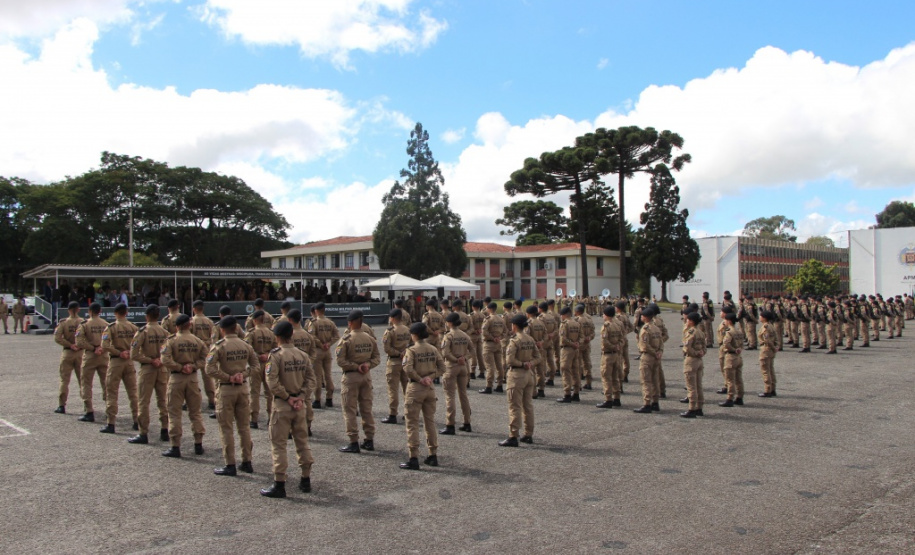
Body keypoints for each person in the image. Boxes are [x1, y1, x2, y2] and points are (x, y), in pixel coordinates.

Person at [260, 321, 317, 498]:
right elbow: (312, 380)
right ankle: (306, 479)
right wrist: (301, 396)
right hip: (299, 405)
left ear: (277, 337)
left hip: (283, 405)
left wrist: (287, 397)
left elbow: (272, 382)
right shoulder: (302, 355)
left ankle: (279, 483)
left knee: (279, 445)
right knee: (302, 442)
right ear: (291, 335)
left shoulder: (276, 356)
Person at [206, 316, 259, 476]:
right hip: (242, 388)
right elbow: (256, 366)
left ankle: (230, 464)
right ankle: (247, 461)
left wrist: (228, 377)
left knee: (226, 428)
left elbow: (209, 369)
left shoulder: (219, 346)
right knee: (244, 427)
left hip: (226, 389)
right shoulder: (245, 345)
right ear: (236, 328)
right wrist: (243, 374)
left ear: (222, 330)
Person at [399, 322, 446, 469]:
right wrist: (430, 377)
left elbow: (408, 369)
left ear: (414, 335)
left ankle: (413, 457)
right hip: (429, 388)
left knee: (412, 423)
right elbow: (442, 367)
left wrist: (420, 379)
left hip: (416, 388)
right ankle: (433, 455)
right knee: (429, 422)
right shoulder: (432, 348)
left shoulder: (411, 350)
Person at [160, 314, 207, 458]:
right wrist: (193, 366)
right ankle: (198, 444)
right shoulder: (198, 341)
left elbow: (165, 359)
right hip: (192, 379)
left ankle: (175, 446)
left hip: (176, 378)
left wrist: (180, 367)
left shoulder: (171, 341)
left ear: (177, 327)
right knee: (195, 412)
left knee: (174, 413)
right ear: (189, 325)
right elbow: (205, 359)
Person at [336, 310, 380, 454]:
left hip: (351, 377)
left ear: (350, 323)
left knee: (349, 409)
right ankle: (369, 439)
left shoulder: (346, 339)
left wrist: (356, 366)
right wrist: (367, 365)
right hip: (366, 376)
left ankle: (353, 441)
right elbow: (377, 358)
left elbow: (340, 361)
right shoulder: (370, 338)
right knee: (366, 408)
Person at [128, 305, 171, 445]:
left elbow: (133, 354)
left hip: (148, 369)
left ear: (146, 316)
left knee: (143, 402)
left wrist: (150, 360)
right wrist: (160, 360)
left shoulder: (143, 332)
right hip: (162, 369)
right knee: (163, 400)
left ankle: (143, 432)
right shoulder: (165, 332)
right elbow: (170, 352)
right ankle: (165, 430)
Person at [499, 314, 540, 447]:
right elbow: (538, 357)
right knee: (528, 406)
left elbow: (509, 360)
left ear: (515, 326)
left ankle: (513, 436)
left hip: (517, 375)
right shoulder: (530, 339)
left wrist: (522, 364)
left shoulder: (514, 341)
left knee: (514, 406)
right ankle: (528, 434)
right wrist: (530, 363)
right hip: (529, 375)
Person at [99, 303, 139, 434]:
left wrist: (118, 352)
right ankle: (137, 421)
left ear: (115, 313)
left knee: (112, 392)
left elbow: (105, 345)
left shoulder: (111, 327)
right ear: (126, 313)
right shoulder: (133, 327)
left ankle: (111, 423)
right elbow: (139, 345)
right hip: (129, 362)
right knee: (133, 393)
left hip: (116, 362)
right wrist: (129, 352)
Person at [75, 302, 110, 422]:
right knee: (106, 383)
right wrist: (101, 348)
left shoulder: (85, 324)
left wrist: (93, 348)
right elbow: (111, 340)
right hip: (103, 356)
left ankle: (89, 411)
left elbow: (79, 342)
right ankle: (109, 409)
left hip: (90, 355)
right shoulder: (106, 324)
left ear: (89, 311)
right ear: (100, 311)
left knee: (86, 383)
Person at [439, 311, 472, 435]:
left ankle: (450, 424)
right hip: (463, 366)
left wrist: (456, 359)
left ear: (449, 323)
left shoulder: (449, 336)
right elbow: (472, 350)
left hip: (452, 366)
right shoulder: (464, 335)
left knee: (450, 396)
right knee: (463, 395)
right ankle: (467, 422)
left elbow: (445, 353)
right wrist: (464, 358)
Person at [245, 310, 277, 429]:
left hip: (256, 364)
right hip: (268, 364)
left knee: (254, 392)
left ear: (254, 320)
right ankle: (271, 416)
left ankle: (254, 419)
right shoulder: (271, 333)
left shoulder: (251, 333)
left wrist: (259, 356)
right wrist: (267, 355)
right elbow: (276, 349)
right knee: (269, 392)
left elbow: (247, 349)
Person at [381, 309, 411, 424]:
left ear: (392, 318)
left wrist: (398, 353)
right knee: (407, 388)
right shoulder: (407, 330)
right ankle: (408, 412)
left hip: (394, 362)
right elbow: (412, 344)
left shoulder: (390, 331)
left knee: (393, 389)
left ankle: (392, 414)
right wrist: (405, 352)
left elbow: (387, 349)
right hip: (406, 361)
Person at [53, 301, 84, 414]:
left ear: (68, 310)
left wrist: (70, 345)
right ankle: (87, 405)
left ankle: (62, 405)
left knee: (64, 380)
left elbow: (57, 338)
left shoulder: (64, 323)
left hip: (68, 352)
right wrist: (79, 345)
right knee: (83, 380)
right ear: (78, 309)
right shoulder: (83, 322)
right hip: (80, 353)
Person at [633, 306, 663, 414]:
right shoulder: (656, 328)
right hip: (656, 357)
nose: (641, 317)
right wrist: (659, 352)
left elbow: (645, 346)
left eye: (642, 316)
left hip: (648, 357)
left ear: (645, 317)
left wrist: (654, 353)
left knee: (646, 381)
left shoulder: (645, 329)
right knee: (655, 380)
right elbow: (661, 343)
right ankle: (655, 402)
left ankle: (647, 403)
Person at [311, 302, 340, 409]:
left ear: (316, 311)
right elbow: (337, 336)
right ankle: (329, 399)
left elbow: (311, 336)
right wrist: (329, 343)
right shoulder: (330, 322)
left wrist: (320, 344)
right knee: (328, 375)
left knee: (317, 376)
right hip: (327, 351)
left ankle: (317, 400)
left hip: (318, 351)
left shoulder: (314, 323)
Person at [190, 300, 217, 411]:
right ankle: (212, 400)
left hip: (195, 350)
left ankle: (194, 399)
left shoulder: (192, 321)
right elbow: (213, 338)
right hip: (206, 349)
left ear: (194, 309)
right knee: (207, 377)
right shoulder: (209, 322)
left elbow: (189, 336)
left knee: (192, 376)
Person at [596, 306, 624, 409]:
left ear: (607, 315)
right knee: (615, 377)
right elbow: (622, 339)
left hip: (608, 354)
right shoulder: (617, 325)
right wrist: (618, 346)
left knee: (606, 377)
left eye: (604, 314)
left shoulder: (606, 326)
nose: (603, 316)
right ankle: (617, 398)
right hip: (616, 354)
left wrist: (613, 346)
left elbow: (605, 341)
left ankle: (608, 399)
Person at [679, 312, 706, 418]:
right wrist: (701, 353)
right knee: (699, 385)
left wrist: (695, 353)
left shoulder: (691, 332)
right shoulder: (700, 332)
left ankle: (692, 408)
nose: (686, 321)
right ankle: (699, 407)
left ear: (691, 321)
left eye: (688, 320)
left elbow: (687, 347)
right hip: (699, 360)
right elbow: (704, 347)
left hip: (691, 360)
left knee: (691, 386)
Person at [718, 313, 745, 407]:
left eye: (725, 320)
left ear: (729, 321)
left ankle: (730, 398)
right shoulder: (739, 331)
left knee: (730, 379)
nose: (724, 322)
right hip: (738, 357)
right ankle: (740, 397)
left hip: (731, 357)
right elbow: (741, 344)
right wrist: (738, 349)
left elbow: (726, 344)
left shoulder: (729, 332)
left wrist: (733, 349)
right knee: (739, 379)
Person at [479, 302, 506, 394]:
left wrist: (492, 338)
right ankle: (500, 385)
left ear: (490, 309)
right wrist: (499, 338)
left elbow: (484, 331)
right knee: (499, 365)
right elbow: (505, 332)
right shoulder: (501, 319)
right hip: (498, 344)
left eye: (487, 308)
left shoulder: (488, 319)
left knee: (490, 366)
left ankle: (489, 386)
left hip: (489, 344)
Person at [556, 307, 582, 403]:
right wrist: (577, 343)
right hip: (575, 350)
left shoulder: (564, 324)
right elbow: (581, 337)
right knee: (575, 371)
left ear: (564, 315)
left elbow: (563, 338)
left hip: (567, 349)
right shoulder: (577, 323)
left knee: (566, 371)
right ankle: (576, 393)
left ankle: (567, 394)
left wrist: (572, 344)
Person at [524, 305, 548, 399]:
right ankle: (541, 389)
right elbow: (546, 335)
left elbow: (527, 336)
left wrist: (534, 344)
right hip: (541, 348)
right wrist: (541, 342)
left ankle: (533, 392)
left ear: (528, 313)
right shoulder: (541, 322)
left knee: (532, 371)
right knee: (541, 370)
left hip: (532, 350)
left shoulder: (529, 323)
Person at [757, 310, 778, 398]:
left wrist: (773, 347)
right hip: (770, 350)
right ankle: (772, 389)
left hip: (766, 349)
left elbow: (767, 340)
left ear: (764, 318)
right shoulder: (771, 326)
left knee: (765, 370)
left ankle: (767, 390)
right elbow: (776, 338)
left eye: (761, 316)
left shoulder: (765, 327)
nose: (759, 317)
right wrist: (775, 346)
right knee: (770, 370)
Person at [574, 304, 595, 390]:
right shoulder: (589, 320)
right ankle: (588, 382)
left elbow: (576, 333)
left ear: (577, 311)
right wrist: (589, 338)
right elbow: (593, 332)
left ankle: (578, 384)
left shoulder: (577, 320)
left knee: (577, 364)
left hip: (579, 344)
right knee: (587, 363)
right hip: (587, 344)